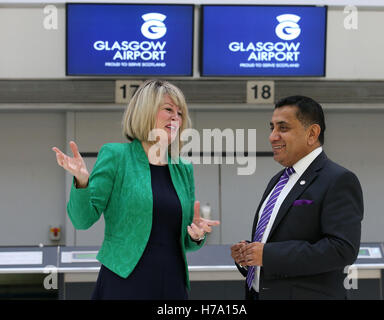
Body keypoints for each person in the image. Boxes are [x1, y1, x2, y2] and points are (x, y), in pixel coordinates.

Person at [52, 79, 220, 300]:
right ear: (146, 112)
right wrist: (82, 181)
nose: (176, 118)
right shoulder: (116, 156)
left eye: (180, 113)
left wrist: (197, 235)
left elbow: (186, 242)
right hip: (125, 281)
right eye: (168, 109)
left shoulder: (183, 169)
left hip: (172, 283)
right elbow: (82, 220)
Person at [231, 95, 363, 300]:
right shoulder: (278, 180)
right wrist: (249, 254)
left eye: (282, 128)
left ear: (312, 133)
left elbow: (342, 249)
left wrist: (267, 254)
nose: (272, 136)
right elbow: (279, 241)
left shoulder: (339, 179)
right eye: (272, 128)